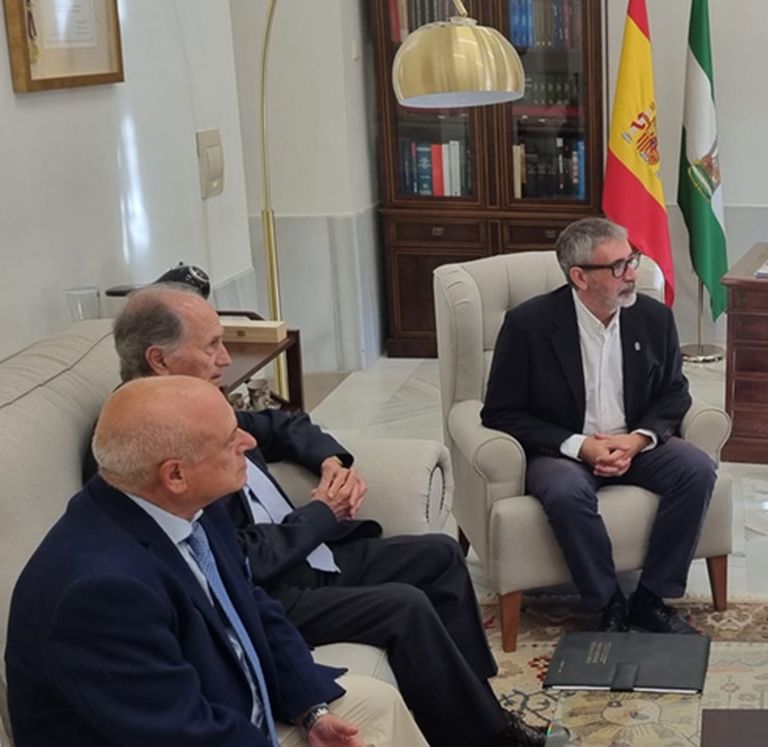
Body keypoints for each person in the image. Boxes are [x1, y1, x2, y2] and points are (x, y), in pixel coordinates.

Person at [106, 284, 544, 747]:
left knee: (440, 554)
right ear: (159, 359)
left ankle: (478, 703)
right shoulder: (145, 443)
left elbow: (283, 425)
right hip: (276, 587)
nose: (225, 357)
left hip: (310, 555)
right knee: (405, 605)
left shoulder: (196, 407)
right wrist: (322, 513)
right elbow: (232, 560)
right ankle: (487, 737)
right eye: (212, 344)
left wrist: (332, 461)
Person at [5, 377, 428, 747]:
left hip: (235, 718)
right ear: (175, 475)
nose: (249, 442)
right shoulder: (100, 594)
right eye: (230, 439)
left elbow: (253, 607)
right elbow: (182, 735)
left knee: (379, 706)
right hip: (206, 735)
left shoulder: (189, 509)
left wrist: (311, 713)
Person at [482, 216, 717, 634]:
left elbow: (675, 393)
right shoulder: (528, 325)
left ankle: (651, 598)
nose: (633, 274)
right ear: (579, 277)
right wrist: (579, 446)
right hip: (564, 451)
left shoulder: (653, 318)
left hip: (633, 441)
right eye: (618, 267)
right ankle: (607, 601)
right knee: (565, 491)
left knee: (696, 469)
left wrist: (638, 439)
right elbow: (501, 413)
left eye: (633, 260)